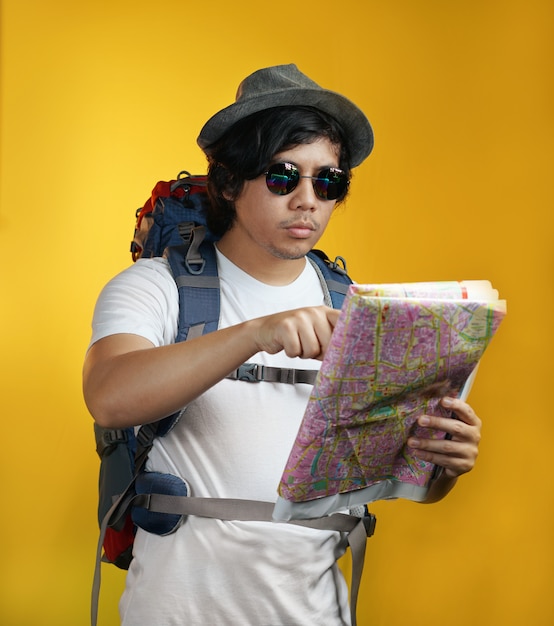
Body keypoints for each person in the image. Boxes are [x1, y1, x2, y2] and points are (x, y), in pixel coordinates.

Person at [83, 64, 482, 625]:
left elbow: (388, 481)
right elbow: (109, 395)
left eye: (328, 181)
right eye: (282, 176)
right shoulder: (156, 287)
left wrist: (441, 467)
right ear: (228, 183)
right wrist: (255, 334)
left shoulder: (357, 311)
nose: (307, 200)